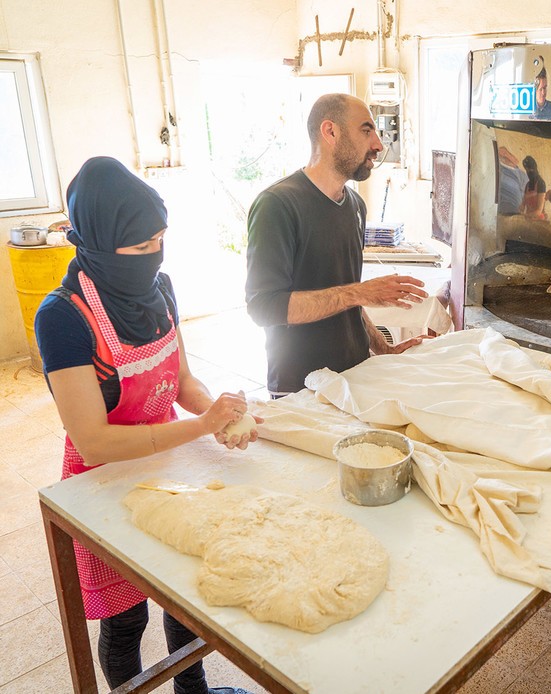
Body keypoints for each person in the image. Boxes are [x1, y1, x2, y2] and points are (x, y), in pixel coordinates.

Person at [34, 156, 257, 694]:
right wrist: (202, 425)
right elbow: (95, 439)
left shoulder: (161, 287)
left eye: (161, 239)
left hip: (169, 462)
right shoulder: (63, 317)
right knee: (126, 616)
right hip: (103, 480)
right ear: (94, 242)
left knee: (184, 594)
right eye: (138, 247)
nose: (153, 254)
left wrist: (219, 411)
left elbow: (180, 380)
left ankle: (194, 690)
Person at [245, 94, 429, 397]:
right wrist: (360, 292)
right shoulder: (277, 205)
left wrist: (383, 348)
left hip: (356, 374)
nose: (378, 145)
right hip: (301, 388)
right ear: (330, 132)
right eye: (366, 130)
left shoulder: (355, 205)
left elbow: (346, 297)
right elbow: (263, 308)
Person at [496, 146, 527, 216]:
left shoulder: (522, 174)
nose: (512, 158)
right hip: (507, 212)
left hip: (520, 214)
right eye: (504, 154)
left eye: (508, 153)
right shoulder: (500, 172)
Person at [521, 155, 547, 220]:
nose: (528, 172)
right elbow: (523, 205)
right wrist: (520, 210)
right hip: (528, 220)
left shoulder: (541, 183)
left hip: (539, 221)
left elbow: (539, 211)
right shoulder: (527, 185)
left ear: (535, 168)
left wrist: (526, 216)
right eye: (526, 169)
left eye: (530, 169)